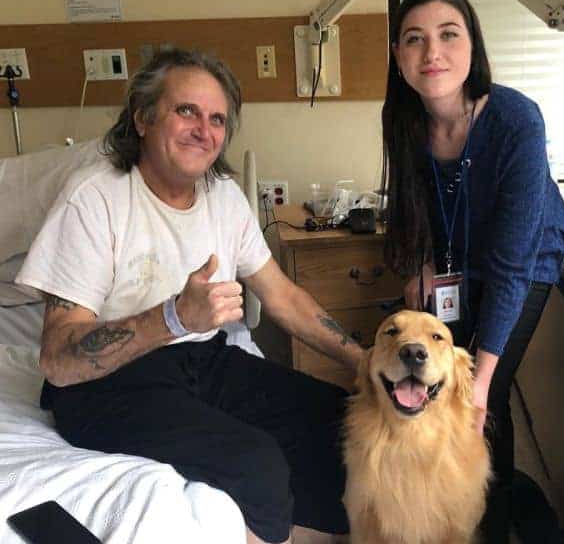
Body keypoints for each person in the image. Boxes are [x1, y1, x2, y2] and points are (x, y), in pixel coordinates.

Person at [16, 49, 363, 544]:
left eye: (217, 118)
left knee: (341, 422)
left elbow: (283, 296)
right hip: (106, 387)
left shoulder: (223, 196)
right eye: (186, 111)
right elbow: (57, 359)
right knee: (254, 460)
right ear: (141, 118)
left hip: (202, 363)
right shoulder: (94, 199)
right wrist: (173, 318)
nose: (205, 129)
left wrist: (362, 360)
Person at [380, 0, 564, 542]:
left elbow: (511, 265)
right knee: (438, 380)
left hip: (525, 260)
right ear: (398, 56)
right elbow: (412, 205)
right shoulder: (404, 118)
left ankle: (488, 524)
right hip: (453, 260)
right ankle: (445, 499)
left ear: (474, 45)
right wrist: (417, 269)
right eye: (414, 40)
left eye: (448, 35)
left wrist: (484, 379)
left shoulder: (515, 119)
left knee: (482, 395)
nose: (431, 53)